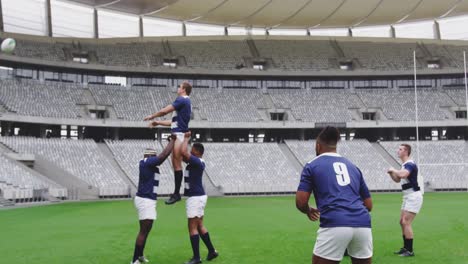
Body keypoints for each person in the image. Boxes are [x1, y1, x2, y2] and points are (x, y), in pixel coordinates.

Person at [296, 126, 373, 264]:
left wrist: (308, 210)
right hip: (363, 225)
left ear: (318, 146)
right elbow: (369, 205)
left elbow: (301, 202)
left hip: (334, 222)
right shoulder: (353, 167)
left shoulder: (312, 165)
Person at [144, 81, 192, 205]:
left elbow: (165, 111)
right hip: (179, 133)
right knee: (176, 164)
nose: (178, 88)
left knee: (177, 164)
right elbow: (173, 122)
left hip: (179, 135)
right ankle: (176, 193)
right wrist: (158, 123)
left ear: (184, 90)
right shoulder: (185, 102)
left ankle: (176, 194)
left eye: (180, 87)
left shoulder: (182, 99)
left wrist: (152, 116)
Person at [131, 135, 176, 264]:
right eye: (154, 157)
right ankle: (135, 260)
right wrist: (172, 141)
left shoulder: (148, 164)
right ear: (149, 157)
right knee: (143, 231)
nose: (155, 159)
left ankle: (139, 256)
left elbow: (162, 157)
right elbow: (162, 157)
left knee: (146, 230)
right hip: (146, 200)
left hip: (147, 200)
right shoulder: (146, 162)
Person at [180, 131, 218, 264]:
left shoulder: (197, 161)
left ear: (197, 152)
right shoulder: (196, 162)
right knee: (200, 225)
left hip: (195, 197)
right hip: (198, 196)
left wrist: (185, 139)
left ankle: (196, 258)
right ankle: (212, 251)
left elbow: (184, 154)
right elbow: (182, 156)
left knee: (192, 227)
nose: (190, 151)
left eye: (192, 150)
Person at [387, 143, 423, 257]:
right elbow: (397, 179)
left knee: (406, 222)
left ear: (406, 152)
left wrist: (393, 169)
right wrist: (391, 174)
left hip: (413, 196)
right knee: (401, 222)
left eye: (400, 149)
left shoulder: (410, 164)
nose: (398, 151)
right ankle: (405, 248)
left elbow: (404, 175)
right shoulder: (404, 165)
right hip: (407, 196)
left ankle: (410, 250)